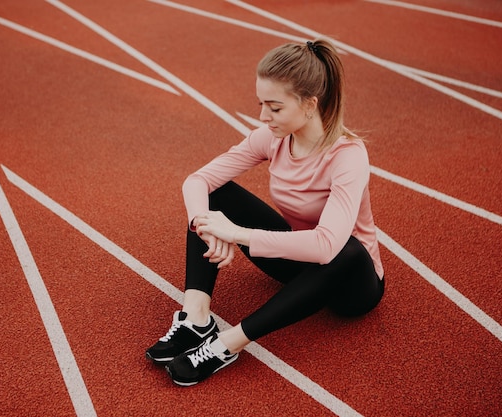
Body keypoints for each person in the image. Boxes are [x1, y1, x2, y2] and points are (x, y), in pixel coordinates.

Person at [145, 39, 385, 387]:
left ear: (309, 105)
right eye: (261, 104)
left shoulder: (348, 156)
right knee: (215, 198)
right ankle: (196, 317)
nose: (262, 116)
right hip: (300, 262)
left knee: (345, 248)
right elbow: (198, 181)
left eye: (274, 107)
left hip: (352, 284)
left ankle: (227, 344)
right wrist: (206, 225)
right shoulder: (271, 138)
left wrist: (237, 234)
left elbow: (325, 247)